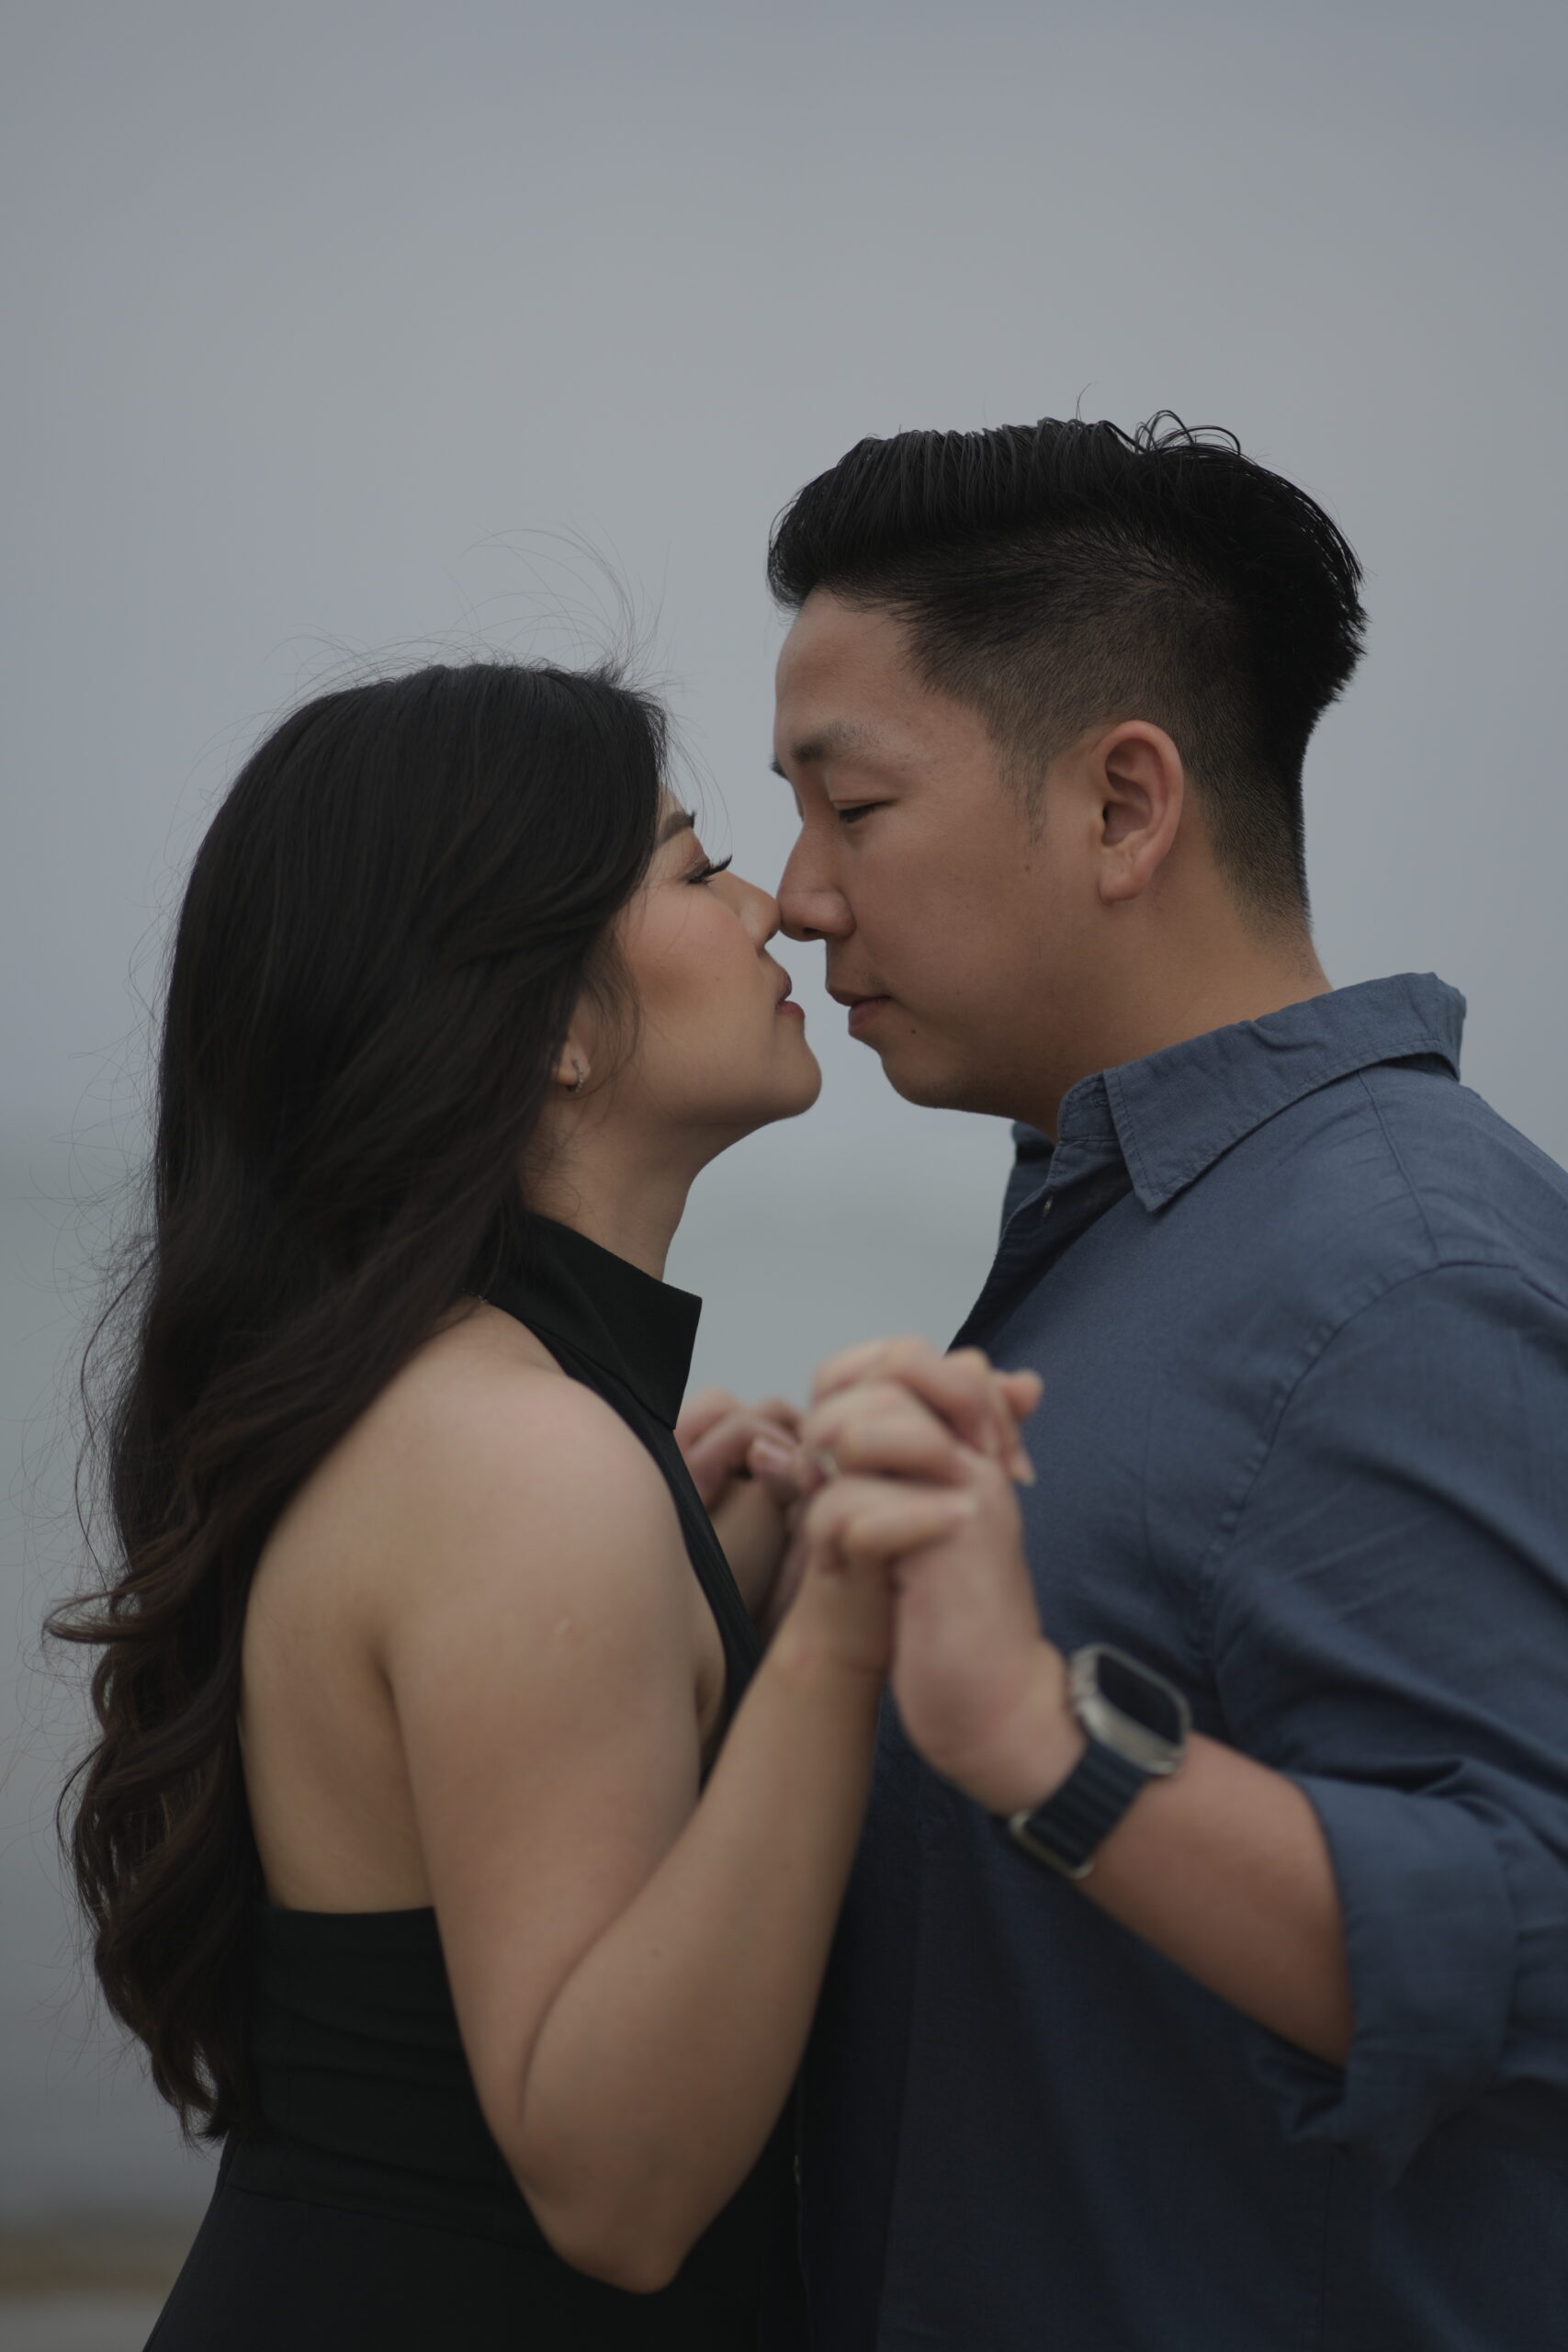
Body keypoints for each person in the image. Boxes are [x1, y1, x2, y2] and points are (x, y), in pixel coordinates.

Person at [49, 661, 1019, 2350]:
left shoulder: (457, 1415)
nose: (777, 911)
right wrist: (835, 1645)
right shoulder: (521, 1456)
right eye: (698, 865)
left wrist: (703, 1631)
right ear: (549, 1027)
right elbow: (618, 2194)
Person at [760, 415, 1568, 2349]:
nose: (794, 894)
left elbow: (1536, 1935)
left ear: (1125, 805)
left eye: (851, 807)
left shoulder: (1404, 1275)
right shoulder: (1128, 1218)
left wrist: (1050, 1742)